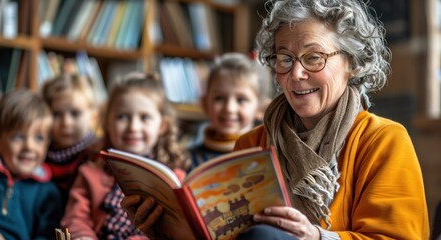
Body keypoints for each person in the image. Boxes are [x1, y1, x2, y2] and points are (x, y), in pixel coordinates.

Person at [121, 0, 429, 239]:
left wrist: (316, 237)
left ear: (352, 63)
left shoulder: (384, 140)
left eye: (313, 57)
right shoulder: (251, 143)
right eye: (284, 58)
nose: (296, 73)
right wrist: (166, 229)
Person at [61, 72, 189, 240]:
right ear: (107, 122)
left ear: (162, 125)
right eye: (122, 117)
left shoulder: (174, 179)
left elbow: (175, 232)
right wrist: (83, 237)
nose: (133, 127)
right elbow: (76, 218)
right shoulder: (90, 172)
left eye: (145, 117)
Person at [0, 89, 62, 239]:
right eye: (19, 137)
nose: (29, 147)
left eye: (39, 138)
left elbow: (47, 235)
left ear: (48, 145)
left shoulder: (48, 193)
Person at [188, 52, 265, 169]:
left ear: (260, 108)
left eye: (241, 100)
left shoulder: (265, 157)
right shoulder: (185, 159)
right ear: (204, 104)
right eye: (219, 98)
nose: (229, 108)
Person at [41, 73, 101, 206]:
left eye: (75, 113)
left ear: (93, 116)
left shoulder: (96, 156)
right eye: (56, 114)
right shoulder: (40, 153)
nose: (66, 123)